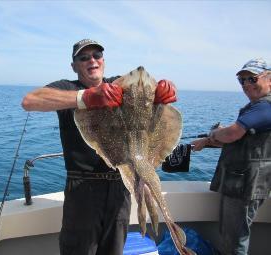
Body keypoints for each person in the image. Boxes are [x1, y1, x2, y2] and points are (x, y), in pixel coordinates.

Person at [22, 39, 177, 255]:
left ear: (103, 61)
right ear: (74, 66)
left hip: (121, 183)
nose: (91, 60)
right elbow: (30, 101)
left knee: (114, 250)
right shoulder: (68, 88)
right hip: (83, 189)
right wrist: (86, 97)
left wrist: (163, 90)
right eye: (84, 58)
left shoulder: (118, 85)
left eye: (96, 55)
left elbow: (144, 82)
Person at [191, 58, 271, 255]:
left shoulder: (265, 107)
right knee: (229, 234)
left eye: (252, 79)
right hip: (240, 184)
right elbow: (240, 142)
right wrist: (206, 142)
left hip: (246, 186)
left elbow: (231, 134)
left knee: (235, 240)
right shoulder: (256, 108)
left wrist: (215, 133)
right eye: (242, 81)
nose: (246, 85)